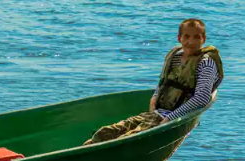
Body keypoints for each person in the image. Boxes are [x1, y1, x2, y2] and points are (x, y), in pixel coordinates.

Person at [85, 18, 224, 145]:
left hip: (170, 118)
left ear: (203, 39)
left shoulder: (206, 63)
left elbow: (202, 97)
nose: (191, 42)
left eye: (197, 37)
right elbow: (164, 82)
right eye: (186, 36)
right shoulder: (175, 56)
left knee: (126, 140)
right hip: (154, 114)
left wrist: (170, 119)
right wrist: (155, 97)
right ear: (179, 38)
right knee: (104, 133)